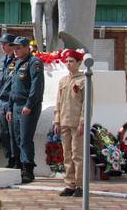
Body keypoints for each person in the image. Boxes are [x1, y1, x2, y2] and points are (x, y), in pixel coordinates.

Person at [6, 36, 44, 183]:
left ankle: (28, 169)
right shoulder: (17, 64)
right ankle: (20, 166)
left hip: (27, 106)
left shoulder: (34, 63)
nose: (15, 50)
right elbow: (12, 88)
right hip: (16, 105)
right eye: (14, 48)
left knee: (25, 138)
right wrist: (9, 107)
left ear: (27, 48)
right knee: (17, 138)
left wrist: (29, 105)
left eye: (19, 48)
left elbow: (36, 87)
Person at [54, 50, 87, 197]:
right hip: (64, 122)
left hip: (76, 123)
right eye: (67, 61)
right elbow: (59, 102)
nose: (68, 64)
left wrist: (82, 122)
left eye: (72, 61)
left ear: (79, 63)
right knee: (66, 155)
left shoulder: (84, 80)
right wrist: (57, 121)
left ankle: (80, 185)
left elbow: (86, 104)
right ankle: (70, 184)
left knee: (77, 155)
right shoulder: (64, 80)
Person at [0, 33, 19, 169]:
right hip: (2, 100)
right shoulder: (2, 61)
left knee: (12, 132)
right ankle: (9, 157)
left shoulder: (16, 61)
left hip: (12, 101)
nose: (2, 46)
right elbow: (0, 82)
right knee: (4, 132)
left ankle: (16, 159)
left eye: (5, 44)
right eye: (1, 43)